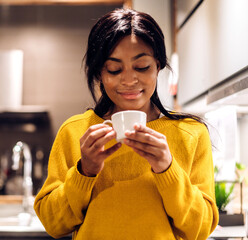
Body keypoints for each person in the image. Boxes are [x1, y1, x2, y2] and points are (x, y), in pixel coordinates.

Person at [34, 8, 218, 240]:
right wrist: (85, 171)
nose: (129, 80)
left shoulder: (190, 133)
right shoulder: (76, 131)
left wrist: (167, 168)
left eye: (142, 67)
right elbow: (53, 224)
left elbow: (200, 229)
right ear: (99, 73)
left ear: (158, 66)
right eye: (114, 69)